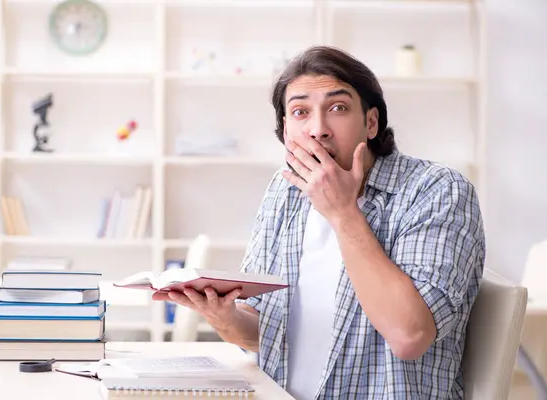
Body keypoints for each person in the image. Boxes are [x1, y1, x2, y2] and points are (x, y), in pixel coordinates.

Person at [152, 45, 486, 399]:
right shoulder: (285, 192)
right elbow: (266, 331)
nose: (318, 129)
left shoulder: (437, 191)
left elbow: (409, 337)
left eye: (338, 108)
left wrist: (342, 212)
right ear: (285, 128)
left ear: (371, 122)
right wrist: (225, 318)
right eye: (300, 112)